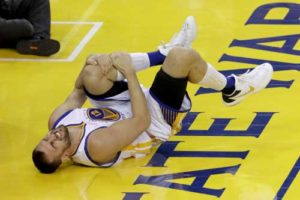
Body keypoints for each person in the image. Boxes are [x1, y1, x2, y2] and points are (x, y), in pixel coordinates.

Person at [32, 16, 273, 173]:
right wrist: (128, 71)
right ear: (65, 156)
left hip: (122, 107)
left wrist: (89, 62)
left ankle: (162, 53)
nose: (51, 136)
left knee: (93, 73)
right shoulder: (96, 146)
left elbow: (78, 90)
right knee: (182, 58)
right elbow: (141, 120)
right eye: (53, 144)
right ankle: (232, 88)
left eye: (45, 139)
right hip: (151, 122)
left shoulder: (57, 120)